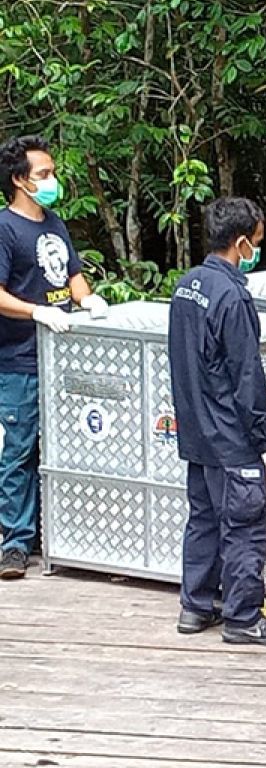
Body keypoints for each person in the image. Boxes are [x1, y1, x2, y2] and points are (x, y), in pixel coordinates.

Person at [167, 197, 266, 645]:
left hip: (196, 433)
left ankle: (195, 606)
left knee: (202, 519)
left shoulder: (186, 287)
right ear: (241, 243)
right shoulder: (232, 296)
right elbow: (246, 375)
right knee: (245, 524)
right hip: (231, 436)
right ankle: (243, 617)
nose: (256, 252)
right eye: (256, 243)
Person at [0, 135, 108, 580]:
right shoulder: (5, 229)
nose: (52, 180)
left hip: (64, 358)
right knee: (20, 451)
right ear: (19, 180)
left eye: (52, 172)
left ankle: (65, 533)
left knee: (72, 445)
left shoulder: (55, 223)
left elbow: (72, 274)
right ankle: (15, 542)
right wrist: (37, 312)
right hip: (20, 359)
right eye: (43, 174)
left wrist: (86, 301)